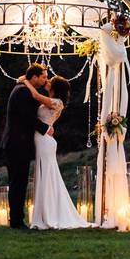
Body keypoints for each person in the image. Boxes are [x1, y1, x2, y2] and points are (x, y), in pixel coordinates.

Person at [19, 73, 90, 230]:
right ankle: (46, 212)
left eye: (50, 81)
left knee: (47, 175)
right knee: (45, 174)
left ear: (55, 87)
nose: (47, 81)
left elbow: (35, 95)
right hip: (43, 139)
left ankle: (49, 213)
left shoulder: (57, 102)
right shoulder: (53, 100)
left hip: (44, 141)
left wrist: (25, 81)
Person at [0, 64, 52, 229]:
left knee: (19, 182)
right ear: (34, 77)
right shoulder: (22, 92)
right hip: (17, 144)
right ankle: (16, 221)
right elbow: (28, 117)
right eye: (43, 76)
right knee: (18, 183)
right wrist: (46, 129)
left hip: (18, 144)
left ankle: (16, 219)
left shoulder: (24, 88)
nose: (46, 80)